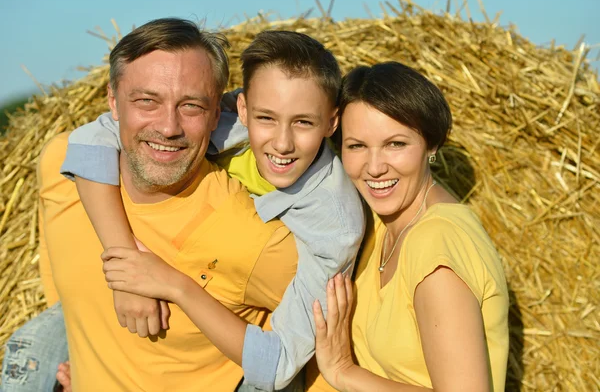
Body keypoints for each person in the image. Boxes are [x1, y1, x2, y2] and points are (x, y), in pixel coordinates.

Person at [2, 27, 365, 391]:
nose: (168, 126)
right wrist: (123, 264)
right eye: (147, 101)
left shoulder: (287, 240)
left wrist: (176, 285)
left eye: (191, 105)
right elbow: (89, 138)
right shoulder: (62, 166)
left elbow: (284, 361)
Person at [307, 62, 510, 391]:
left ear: (430, 145)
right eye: (357, 146)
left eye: (395, 144)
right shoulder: (381, 221)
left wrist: (344, 371)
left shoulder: (437, 245)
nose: (374, 167)